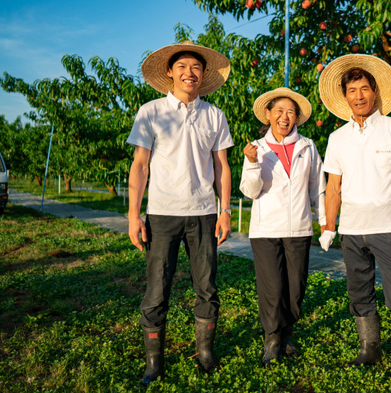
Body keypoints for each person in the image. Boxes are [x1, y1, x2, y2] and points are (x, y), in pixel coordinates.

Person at [127, 40, 234, 385]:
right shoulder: (151, 112)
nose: (190, 73)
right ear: (170, 73)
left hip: (203, 213)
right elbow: (140, 165)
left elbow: (221, 166)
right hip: (162, 214)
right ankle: (154, 364)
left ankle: (205, 353)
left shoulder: (214, 115)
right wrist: (133, 215)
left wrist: (226, 210)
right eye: (183, 67)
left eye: (196, 68)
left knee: (207, 287)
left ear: (203, 75)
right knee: (158, 289)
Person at [318, 54, 391, 385]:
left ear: (375, 92)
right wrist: (329, 226)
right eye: (352, 90)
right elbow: (333, 187)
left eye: (364, 89)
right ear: (344, 96)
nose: (359, 96)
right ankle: (369, 350)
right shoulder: (337, 138)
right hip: (351, 230)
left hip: (389, 228)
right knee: (359, 293)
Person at [239, 87, 326, 367]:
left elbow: (318, 188)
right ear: (268, 114)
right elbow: (250, 191)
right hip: (266, 230)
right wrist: (252, 164)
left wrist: (325, 222)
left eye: (290, 112)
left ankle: (287, 334)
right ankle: (272, 339)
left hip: (299, 228)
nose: (284, 117)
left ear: (297, 117)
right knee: (273, 289)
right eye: (279, 111)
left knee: (295, 288)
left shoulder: (308, 146)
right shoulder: (256, 148)